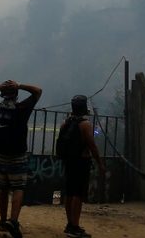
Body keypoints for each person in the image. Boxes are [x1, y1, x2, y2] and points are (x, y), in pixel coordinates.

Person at [0, 80, 42, 238]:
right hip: (18, 155)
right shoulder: (21, 108)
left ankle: (3, 221)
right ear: (16, 95)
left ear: (2, 95)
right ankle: (13, 221)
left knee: (3, 187)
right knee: (18, 188)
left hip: (0, 154)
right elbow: (37, 91)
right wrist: (20, 85)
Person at [61, 95, 105, 238]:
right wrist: (100, 163)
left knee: (69, 193)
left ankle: (69, 224)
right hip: (81, 162)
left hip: (68, 162)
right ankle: (75, 226)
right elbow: (92, 146)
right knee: (78, 194)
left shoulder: (65, 123)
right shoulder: (85, 125)